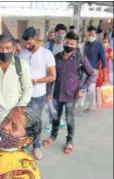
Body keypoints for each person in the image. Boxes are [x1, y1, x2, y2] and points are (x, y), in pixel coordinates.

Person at [43, 31, 94, 155]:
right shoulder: (56, 58)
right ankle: (53, 137)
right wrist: (48, 93)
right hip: (57, 94)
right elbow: (50, 76)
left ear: (76, 46)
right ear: (63, 42)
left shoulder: (79, 58)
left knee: (69, 119)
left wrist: (83, 89)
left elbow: (91, 73)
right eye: (67, 42)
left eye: (72, 44)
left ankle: (69, 141)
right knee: (55, 117)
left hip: (72, 95)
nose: (69, 45)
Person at [19, 27, 56, 160]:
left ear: (36, 39)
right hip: (23, 95)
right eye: (25, 43)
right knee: (23, 121)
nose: (26, 45)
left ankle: (36, 146)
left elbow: (52, 76)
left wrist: (36, 81)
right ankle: (25, 143)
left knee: (35, 121)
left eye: (29, 43)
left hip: (37, 95)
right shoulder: (22, 53)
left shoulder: (46, 54)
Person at [0, 33, 32, 111]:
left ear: (14, 49)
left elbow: (28, 89)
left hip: (15, 114)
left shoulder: (21, 65)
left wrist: (18, 108)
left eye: (8, 48)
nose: (4, 51)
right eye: (1, 48)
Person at [44, 24, 69, 132]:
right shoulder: (49, 45)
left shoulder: (67, 46)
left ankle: (61, 120)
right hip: (51, 78)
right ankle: (51, 122)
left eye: (63, 33)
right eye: (59, 33)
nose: (61, 35)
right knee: (50, 100)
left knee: (62, 100)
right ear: (55, 34)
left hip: (64, 79)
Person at [84, 26, 107, 111]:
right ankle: (87, 105)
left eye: (92, 34)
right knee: (85, 88)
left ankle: (91, 106)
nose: (91, 36)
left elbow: (104, 62)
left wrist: (105, 76)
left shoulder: (100, 45)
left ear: (95, 35)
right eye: (89, 34)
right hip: (85, 70)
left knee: (91, 88)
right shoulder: (86, 44)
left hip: (94, 71)